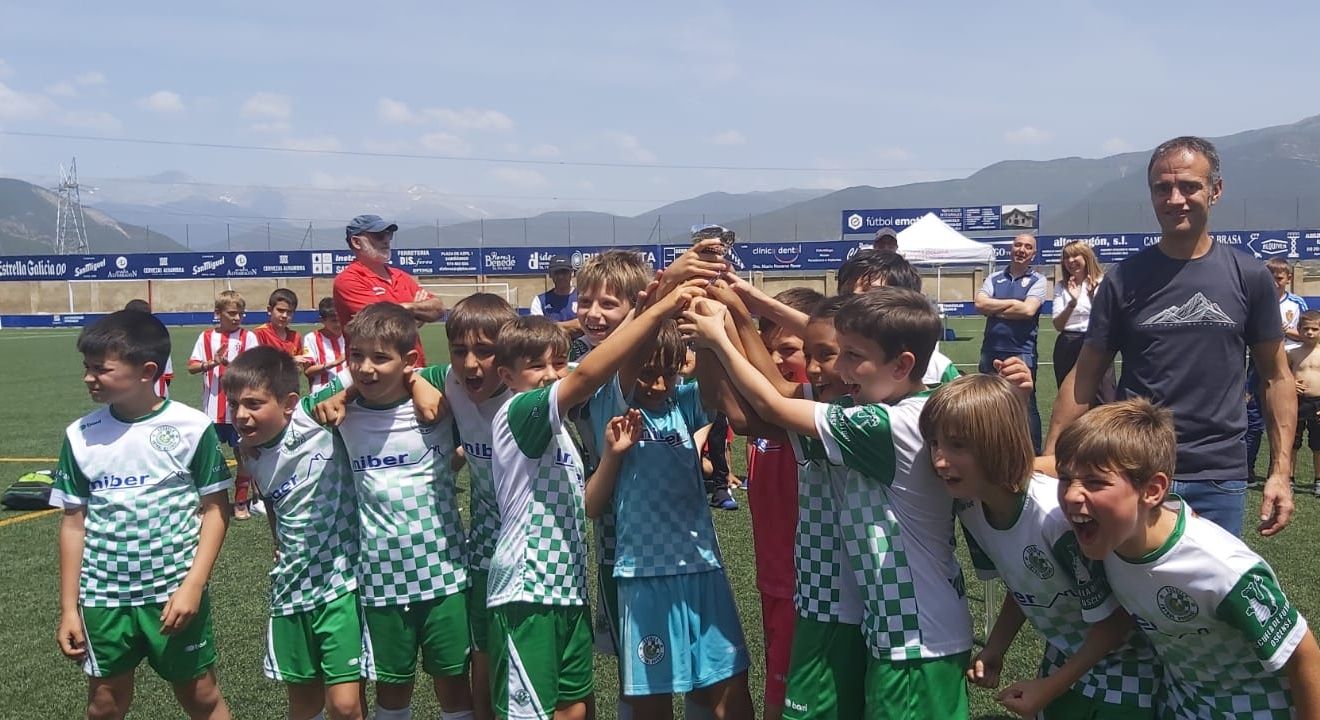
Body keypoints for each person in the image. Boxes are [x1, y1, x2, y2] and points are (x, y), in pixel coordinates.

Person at [683, 288, 974, 719]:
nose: (837, 368)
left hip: (915, 632)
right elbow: (772, 403)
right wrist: (738, 313)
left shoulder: (883, 424)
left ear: (902, 365)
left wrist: (722, 338)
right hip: (890, 625)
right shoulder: (874, 412)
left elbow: (772, 404)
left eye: (849, 356)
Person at [1045, 136, 1297, 538]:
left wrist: (1281, 472)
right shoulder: (1124, 278)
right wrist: (1050, 456)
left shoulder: (1249, 277)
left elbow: (1276, 377)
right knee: (1130, 597)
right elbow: (1085, 375)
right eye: (1163, 188)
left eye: (1189, 186)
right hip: (1133, 469)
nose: (1175, 198)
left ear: (1216, 191)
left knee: (1210, 599)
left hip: (1217, 476)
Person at [486, 283, 703, 720]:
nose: (550, 374)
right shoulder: (519, 413)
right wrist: (658, 308)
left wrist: (613, 457)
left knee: (574, 710)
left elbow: (586, 502)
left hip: (566, 589)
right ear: (506, 377)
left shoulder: (561, 431)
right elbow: (587, 377)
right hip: (526, 590)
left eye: (556, 363)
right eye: (535, 367)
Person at [1056, 399, 1320, 719]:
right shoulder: (1112, 539)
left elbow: (1303, 654)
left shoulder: (1221, 569)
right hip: (1181, 704)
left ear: (1153, 490)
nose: (1071, 495)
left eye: (1095, 482)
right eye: (1066, 478)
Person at [921, 375, 1158, 719]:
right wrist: (996, 647)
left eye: (957, 445)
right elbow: (1023, 583)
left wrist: (1050, 687)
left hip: (1127, 667)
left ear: (997, 444)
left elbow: (1115, 622)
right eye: (934, 444)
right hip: (1065, 654)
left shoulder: (1055, 518)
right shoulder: (971, 508)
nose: (939, 460)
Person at [52, 309, 233, 720]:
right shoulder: (80, 435)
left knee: (201, 695)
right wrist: (68, 608)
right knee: (105, 702)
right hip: (104, 597)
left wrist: (193, 585)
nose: (88, 377)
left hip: (172, 592)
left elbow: (215, 510)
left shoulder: (191, 427)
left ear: (146, 371)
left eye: (101, 368)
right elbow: (73, 523)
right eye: (87, 367)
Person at [698, 289, 869, 720]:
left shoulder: (846, 415)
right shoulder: (816, 403)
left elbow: (759, 403)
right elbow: (760, 395)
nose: (805, 365)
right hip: (786, 581)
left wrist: (719, 336)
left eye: (820, 353)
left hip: (827, 592)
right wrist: (731, 316)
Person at [583, 319, 753, 720]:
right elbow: (625, 364)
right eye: (647, 374)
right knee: (650, 700)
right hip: (646, 574)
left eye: (669, 373)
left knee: (728, 688)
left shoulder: (683, 403)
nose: (659, 385)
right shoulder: (617, 404)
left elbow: (713, 387)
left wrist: (710, 327)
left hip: (702, 567)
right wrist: (658, 307)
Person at [328, 303, 473, 720]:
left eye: (380, 358)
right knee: (392, 693)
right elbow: (312, 403)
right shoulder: (342, 413)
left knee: (453, 687)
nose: (366, 368)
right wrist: (344, 392)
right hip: (379, 579)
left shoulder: (439, 398)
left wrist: (416, 383)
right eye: (356, 356)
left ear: (408, 360)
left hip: (444, 574)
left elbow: (467, 382)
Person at [221, 347, 363, 720]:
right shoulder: (248, 453)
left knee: (346, 706)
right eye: (233, 404)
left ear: (288, 403)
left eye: (253, 404)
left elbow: (361, 371)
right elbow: (271, 501)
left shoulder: (310, 416)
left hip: (342, 583)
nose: (240, 415)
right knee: (303, 705)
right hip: (291, 587)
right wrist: (278, 541)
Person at [441, 292, 520, 720]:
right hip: (483, 554)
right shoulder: (452, 383)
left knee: (543, 669)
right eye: (459, 351)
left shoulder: (529, 397)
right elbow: (402, 372)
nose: (470, 364)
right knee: (483, 661)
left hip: (534, 557)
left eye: (485, 352)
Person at [744, 286, 822, 720]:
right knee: (779, 688)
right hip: (773, 579)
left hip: (812, 589)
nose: (775, 361)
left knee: (795, 701)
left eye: (788, 349)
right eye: (768, 349)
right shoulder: (767, 414)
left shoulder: (820, 411)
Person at [332, 214, 443, 366]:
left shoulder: (400, 275)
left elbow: (438, 308)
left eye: (388, 234)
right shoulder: (348, 280)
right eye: (378, 235)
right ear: (357, 242)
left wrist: (408, 307)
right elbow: (382, 327)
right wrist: (417, 314)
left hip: (414, 368)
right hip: (376, 375)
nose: (386, 240)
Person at [187, 290, 260, 520]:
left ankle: (240, 502)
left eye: (240, 313)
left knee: (243, 456)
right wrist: (213, 363)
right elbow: (192, 367)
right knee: (207, 457)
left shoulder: (248, 338)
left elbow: (256, 369)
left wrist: (234, 366)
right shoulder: (206, 337)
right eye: (232, 313)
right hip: (211, 410)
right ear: (218, 313)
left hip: (239, 410)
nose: (237, 318)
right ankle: (208, 504)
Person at [974, 233, 1046, 453]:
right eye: (1018, 245)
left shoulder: (1038, 281)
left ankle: (1032, 454)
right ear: (1011, 248)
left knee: (1025, 406)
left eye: (1027, 247)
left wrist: (995, 309)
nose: (1021, 250)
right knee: (988, 403)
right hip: (991, 351)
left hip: (1021, 352)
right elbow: (979, 304)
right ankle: (992, 449)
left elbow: (1028, 310)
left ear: (1033, 253)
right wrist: (1013, 304)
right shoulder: (994, 278)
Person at [1051, 241, 1105, 388]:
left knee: (1103, 396)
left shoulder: (1103, 283)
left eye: (1075, 255)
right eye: (1066, 257)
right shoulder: (1061, 287)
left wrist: (1094, 300)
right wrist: (1072, 303)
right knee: (1068, 395)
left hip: (1094, 342)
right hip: (1067, 344)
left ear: (1087, 257)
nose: (1070, 261)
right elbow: (1058, 325)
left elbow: (1108, 321)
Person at [1289, 310, 1320, 496]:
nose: (1310, 332)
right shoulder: (1292, 353)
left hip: (1318, 404)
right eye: (1306, 328)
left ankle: (1318, 480)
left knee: (1318, 445)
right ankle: (1289, 479)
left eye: (1315, 329)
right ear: (1299, 330)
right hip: (1297, 402)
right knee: (1292, 443)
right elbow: (1281, 376)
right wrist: (1291, 383)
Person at [124, 299, 174, 398]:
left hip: (128, 398)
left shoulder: (119, 341)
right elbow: (167, 376)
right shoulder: (160, 339)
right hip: (158, 396)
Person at [303, 297, 350, 395]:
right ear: (322, 320)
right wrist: (335, 363)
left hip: (348, 391)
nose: (338, 324)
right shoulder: (311, 338)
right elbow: (308, 371)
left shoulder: (349, 336)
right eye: (334, 321)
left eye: (340, 320)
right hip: (323, 393)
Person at [530, 255, 580, 327]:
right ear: (550, 274)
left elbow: (582, 325)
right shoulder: (539, 301)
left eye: (564, 272)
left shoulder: (582, 296)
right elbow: (539, 329)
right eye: (557, 272)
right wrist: (573, 324)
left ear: (572, 273)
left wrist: (551, 326)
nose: (561, 276)